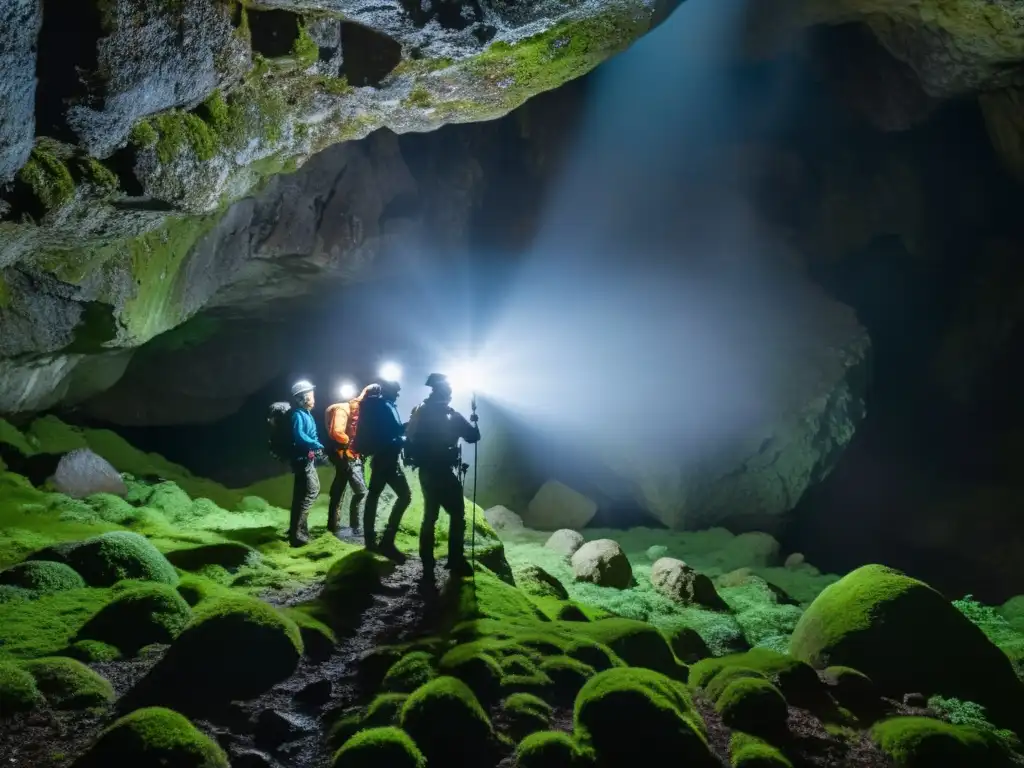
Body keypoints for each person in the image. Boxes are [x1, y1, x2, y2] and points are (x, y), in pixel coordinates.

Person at [405, 372, 480, 575]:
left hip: (426, 471)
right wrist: (474, 419)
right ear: (446, 392)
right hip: (444, 472)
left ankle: (426, 561)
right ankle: (455, 560)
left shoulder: (421, 411)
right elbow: (473, 436)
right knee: (457, 515)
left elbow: (409, 436)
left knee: (430, 516)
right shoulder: (450, 414)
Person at [359, 377, 412, 561]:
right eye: (396, 390)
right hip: (386, 459)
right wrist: (408, 430)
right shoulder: (384, 407)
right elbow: (391, 433)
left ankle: (372, 540)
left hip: (383, 458)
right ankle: (385, 541)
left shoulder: (383, 406)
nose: (398, 394)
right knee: (403, 495)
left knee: (374, 495)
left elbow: (391, 431)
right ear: (388, 390)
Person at [323, 384, 379, 537]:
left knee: (339, 489)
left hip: (347, 454)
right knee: (361, 492)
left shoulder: (357, 410)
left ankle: (333, 526)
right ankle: (355, 526)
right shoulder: (342, 410)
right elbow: (337, 432)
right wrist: (352, 443)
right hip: (345, 454)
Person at [289, 380, 325, 547]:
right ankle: (298, 535)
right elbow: (299, 436)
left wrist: (316, 446)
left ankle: (296, 531)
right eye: (311, 395)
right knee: (311, 492)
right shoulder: (298, 415)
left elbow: (310, 434)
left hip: (306, 459)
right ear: (303, 398)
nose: (313, 398)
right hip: (302, 460)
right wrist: (316, 444)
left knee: (301, 495)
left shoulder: (306, 415)